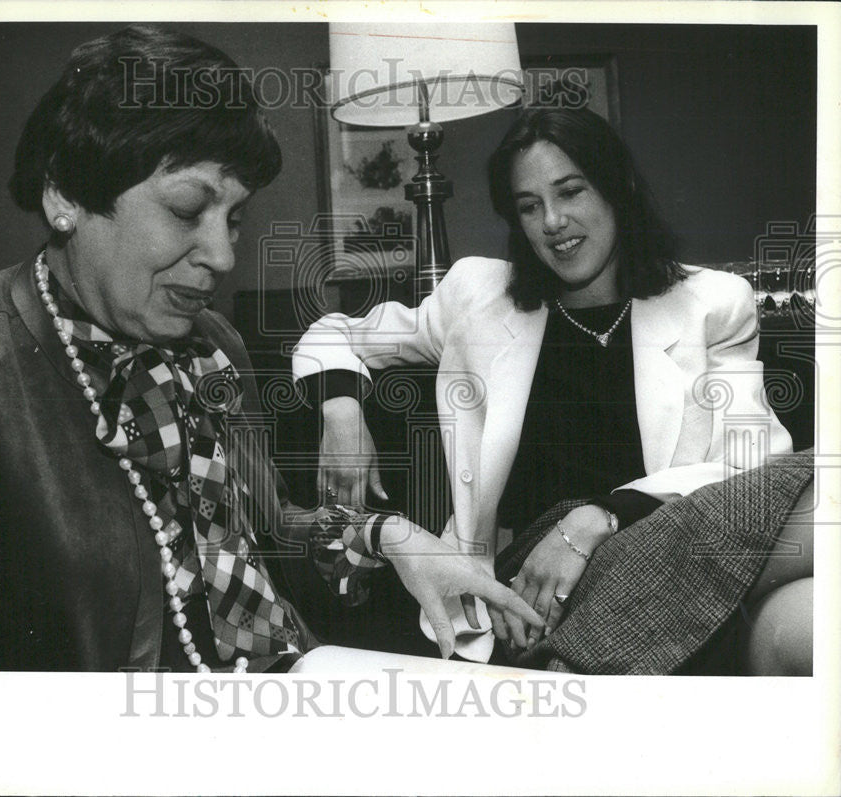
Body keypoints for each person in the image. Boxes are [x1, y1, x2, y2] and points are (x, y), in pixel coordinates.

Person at [0, 25, 544, 672]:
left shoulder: (213, 342)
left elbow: (263, 537)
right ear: (65, 195)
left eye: (236, 218)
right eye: (188, 209)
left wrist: (388, 537)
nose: (220, 254)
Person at [292, 105, 813, 674]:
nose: (553, 221)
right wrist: (342, 411)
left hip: (656, 550)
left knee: (812, 540)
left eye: (571, 192)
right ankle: (583, 647)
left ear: (618, 189)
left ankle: (587, 648)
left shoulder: (713, 302)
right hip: (529, 583)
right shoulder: (478, 294)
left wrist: (596, 519)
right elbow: (335, 334)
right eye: (529, 206)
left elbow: (754, 464)